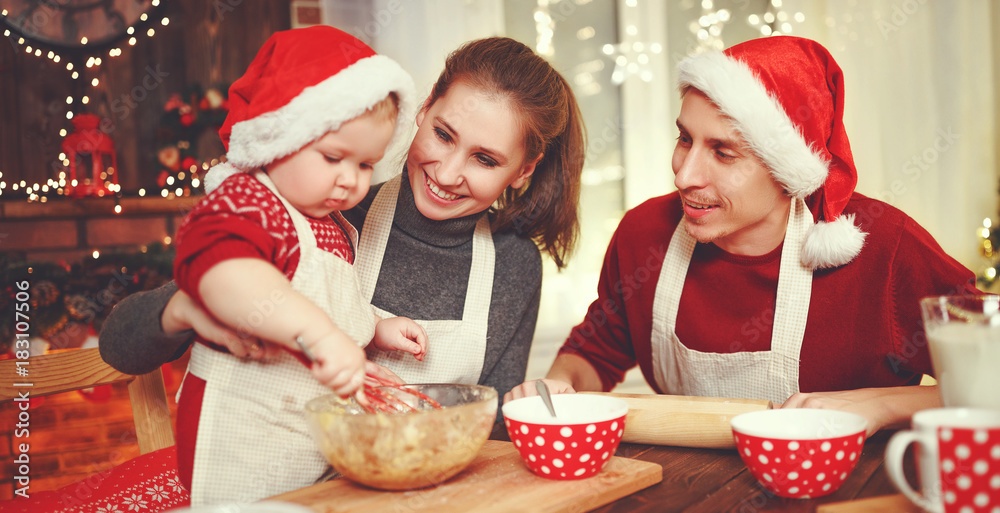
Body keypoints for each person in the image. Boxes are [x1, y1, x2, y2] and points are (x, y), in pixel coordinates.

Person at [99, 36, 584, 426]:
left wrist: (532, 405)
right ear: (423, 109)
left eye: (484, 159)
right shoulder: (324, 209)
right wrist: (183, 308)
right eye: (443, 134)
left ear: (524, 170)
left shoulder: (514, 264)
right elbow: (120, 344)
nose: (449, 172)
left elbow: (489, 423)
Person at [506, 36, 978, 435]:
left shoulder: (884, 248)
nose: (685, 175)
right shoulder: (643, 235)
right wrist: (557, 389)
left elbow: (988, 379)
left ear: (786, 168)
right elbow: (594, 353)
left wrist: (879, 406)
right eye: (685, 139)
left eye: (724, 152)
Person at [167, 26, 423, 504]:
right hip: (240, 434)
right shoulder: (250, 200)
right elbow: (222, 274)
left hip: (300, 439)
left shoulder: (329, 223)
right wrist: (320, 337)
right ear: (277, 138)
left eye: (366, 165)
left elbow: (323, 299)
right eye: (332, 157)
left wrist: (374, 328)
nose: (350, 180)